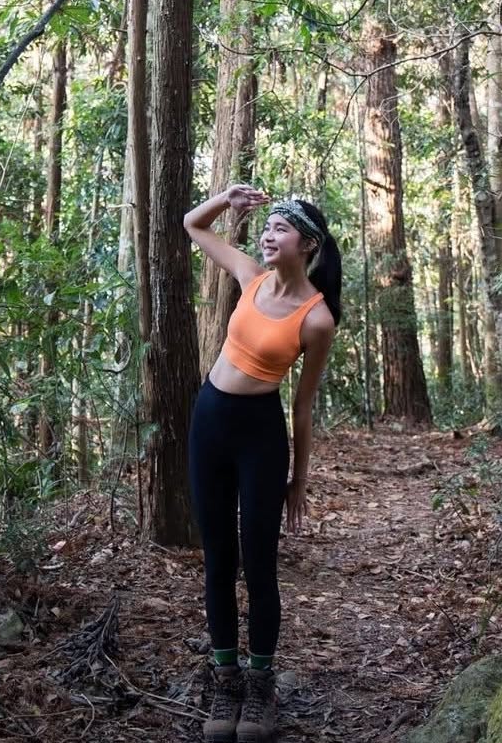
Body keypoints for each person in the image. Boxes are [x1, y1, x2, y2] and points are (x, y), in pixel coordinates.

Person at [184, 185, 342, 743]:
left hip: (260, 435)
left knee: (259, 562)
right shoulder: (250, 276)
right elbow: (192, 225)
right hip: (209, 422)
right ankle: (224, 677)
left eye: (280, 229)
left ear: (309, 245)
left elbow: (304, 403)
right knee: (218, 559)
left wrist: (300, 477)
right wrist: (227, 200)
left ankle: (259, 685)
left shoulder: (316, 318)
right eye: (268, 226)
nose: (268, 235)